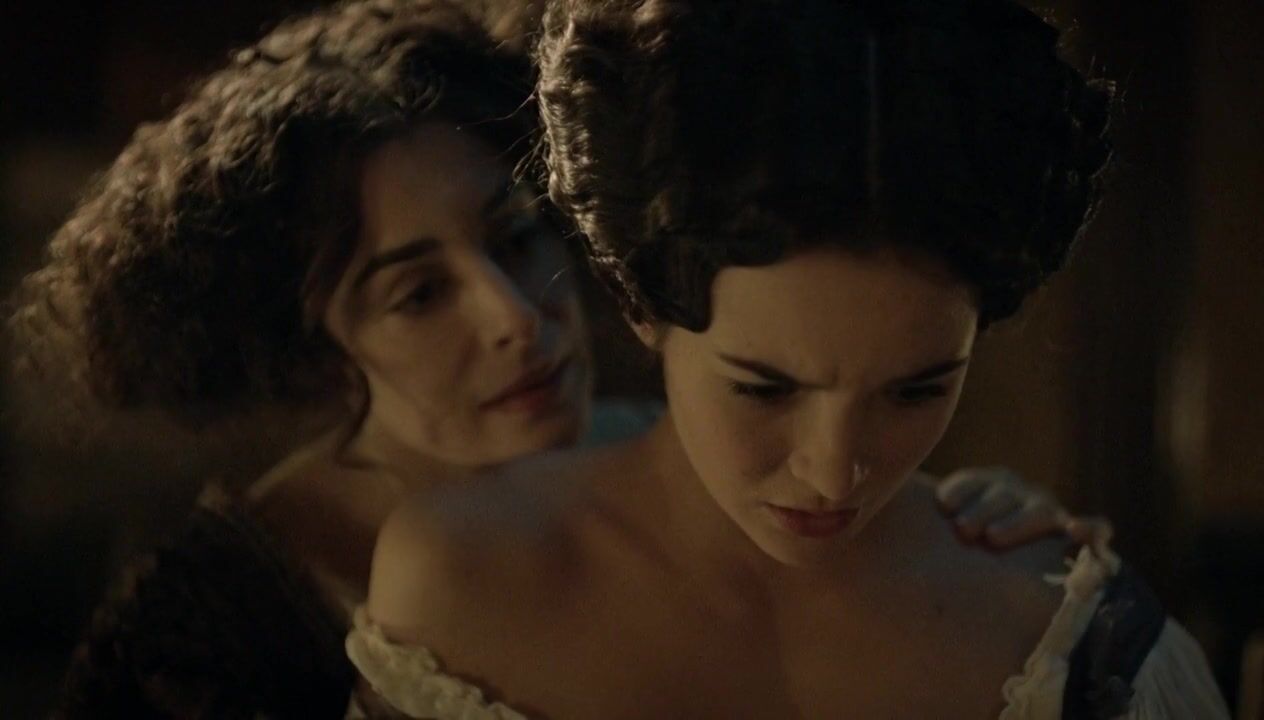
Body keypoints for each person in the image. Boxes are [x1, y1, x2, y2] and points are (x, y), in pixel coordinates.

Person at [8, 0, 1088, 716]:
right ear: (310, 346)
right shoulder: (207, 628)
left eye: (517, 240)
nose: (516, 318)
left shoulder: (684, 457)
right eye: (419, 293)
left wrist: (958, 531)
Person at [351, 0, 1231, 718]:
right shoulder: (463, 582)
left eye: (915, 390)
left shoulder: (1069, 638)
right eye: (764, 389)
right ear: (637, 302)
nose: (833, 472)